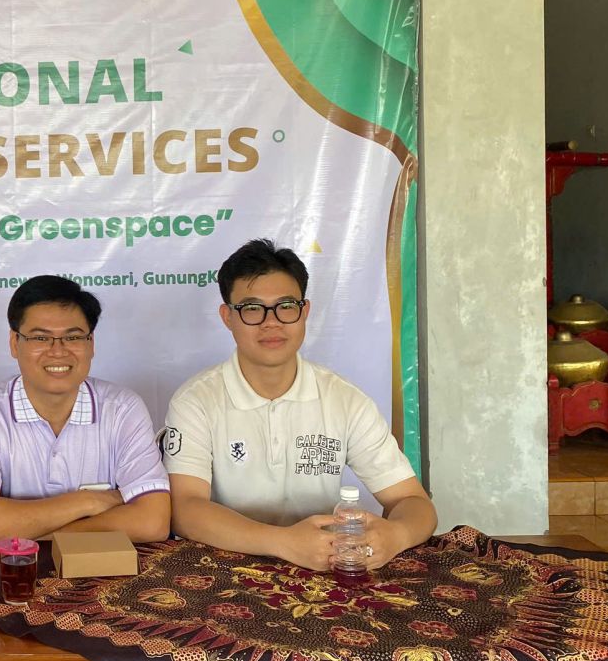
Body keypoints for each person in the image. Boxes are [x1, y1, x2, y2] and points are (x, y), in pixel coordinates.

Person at [163, 238, 436, 571]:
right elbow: (185, 510)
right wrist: (282, 542)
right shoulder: (196, 401)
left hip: (322, 571)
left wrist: (395, 535)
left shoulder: (344, 400)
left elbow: (413, 502)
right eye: (252, 309)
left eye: (286, 306)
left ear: (304, 311)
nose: (271, 322)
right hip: (222, 572)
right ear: (227, 317)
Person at [0, 275, 171, 548]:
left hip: (100, 565)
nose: (58, 351)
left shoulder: (122, 409)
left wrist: (30, 532)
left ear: (91, 343)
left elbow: (152, 522)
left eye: (73, 337)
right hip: (13, 568)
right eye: (40, 338)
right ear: (14, 343)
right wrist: (88, 501)